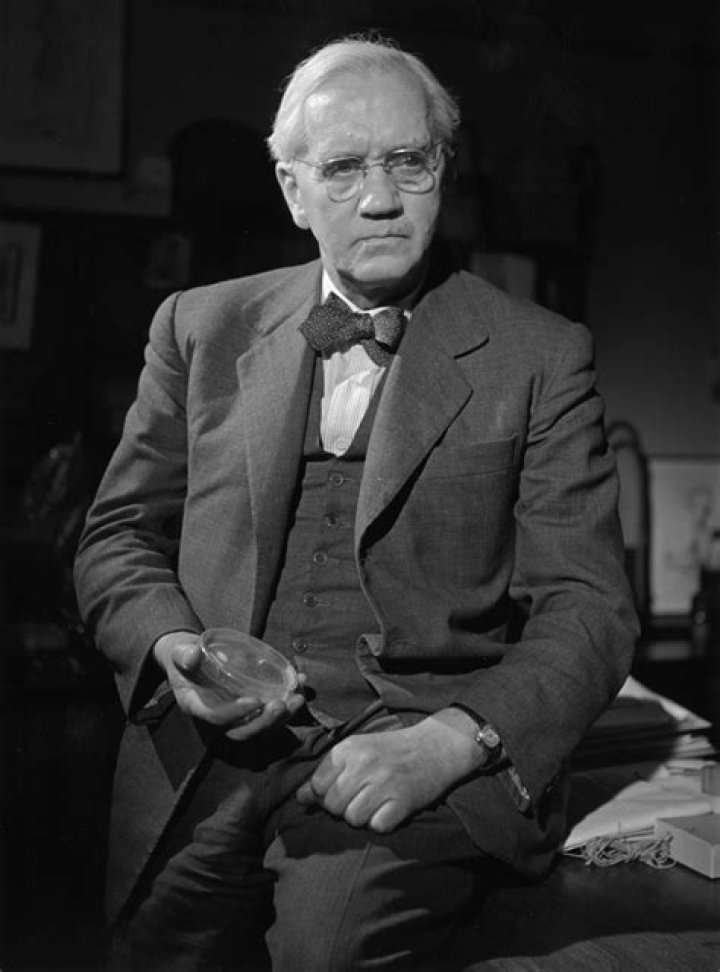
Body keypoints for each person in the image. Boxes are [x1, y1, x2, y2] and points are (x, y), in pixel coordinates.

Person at [74, 35, 638, 972]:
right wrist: (173, 646)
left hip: (406, 746)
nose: (380, 198)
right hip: (211, 745)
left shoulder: (539, 355)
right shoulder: (200, 326)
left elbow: (591, 608)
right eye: (341, 168)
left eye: (407, 161)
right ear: (293, 190)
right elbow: (117, 536)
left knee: (329, 953)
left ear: (443, 169)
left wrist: (450, 745)